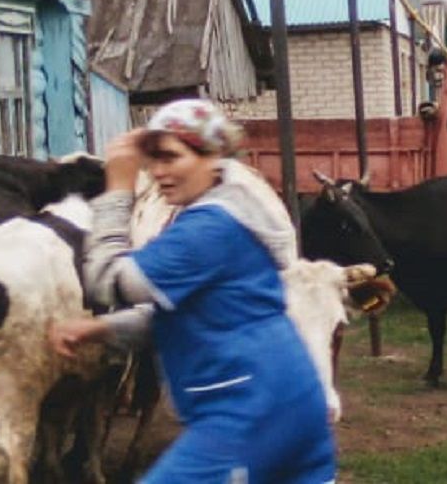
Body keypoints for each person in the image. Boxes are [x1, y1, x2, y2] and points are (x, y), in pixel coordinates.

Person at [48, 99, 336, 483]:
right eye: (152, 161)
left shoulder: (207, 229)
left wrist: (116, 189)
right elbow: (190, 313)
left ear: (212, 156)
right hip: (289, 400)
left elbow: (107, 282)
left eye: (170, 157)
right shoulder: (233, 213)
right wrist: (104, 330)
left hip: (245, 414)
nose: (157, 172)